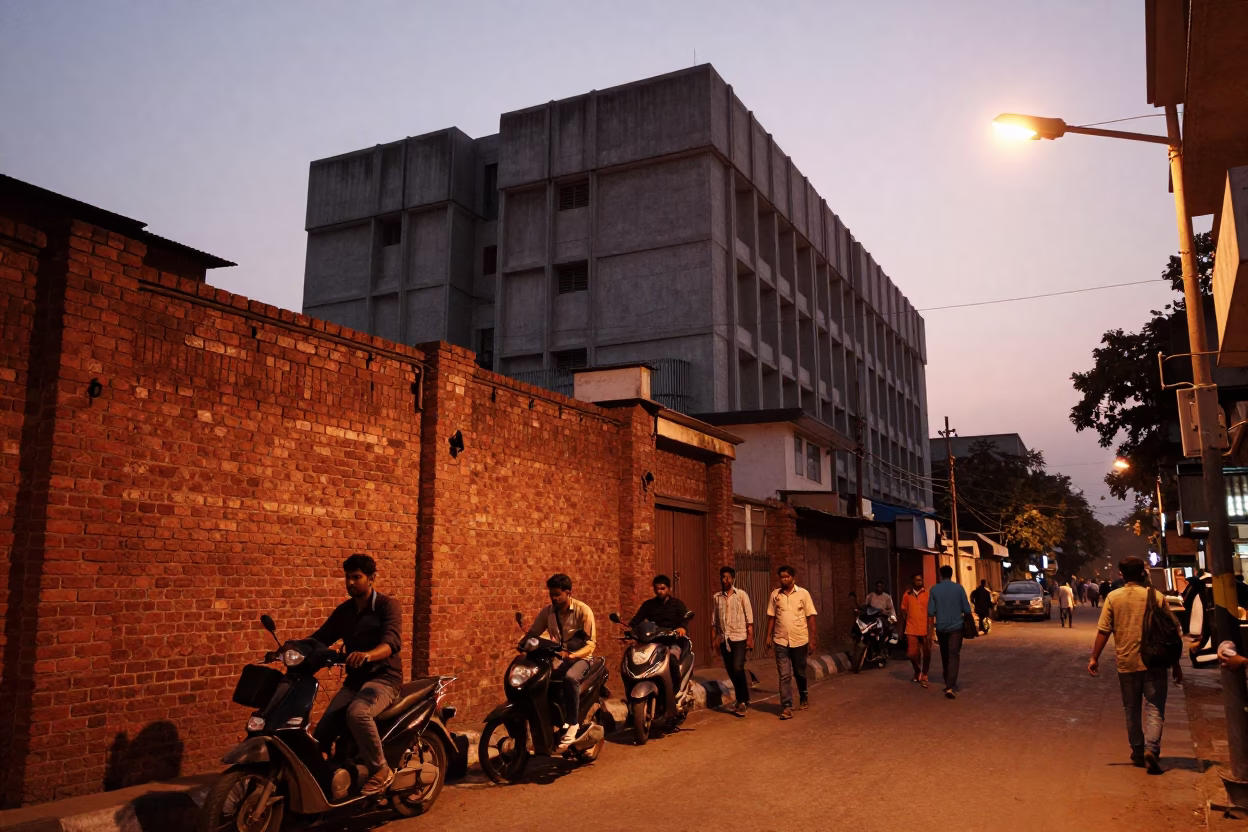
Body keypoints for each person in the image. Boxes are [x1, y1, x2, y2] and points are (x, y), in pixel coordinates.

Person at [310, 554, 404, 795]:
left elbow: (391, 643)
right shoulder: (345, 611)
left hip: (384, 678)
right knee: (322, 731)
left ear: (371, 578)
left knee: (357, 713)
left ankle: (381, 769)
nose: (350, 582)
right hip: (356, 680)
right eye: (347, 577)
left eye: (356, 577)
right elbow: (320, 638)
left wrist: (367, 655)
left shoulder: (387, 606)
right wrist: (291, 649)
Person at [1089, 557, 1183, 774]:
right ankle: (1153, 748)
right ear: (1143, 573)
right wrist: (1176, 664)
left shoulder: (1113, 597)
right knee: (1155, 707)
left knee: (1131, 709)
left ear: (1121, 574)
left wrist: (1094, 657)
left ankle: (1138, 751)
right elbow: (1172, 633)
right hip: (1156, 661)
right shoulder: (1156, 596)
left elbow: (1104, 630)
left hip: (1126, 662)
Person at [525, 573, 597, 752]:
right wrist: (522, 646)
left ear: (568, 592)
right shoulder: (548, 612)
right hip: (558, 659)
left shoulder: (583, 610)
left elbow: (591, 644)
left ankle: (572, 724)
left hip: (581, 659)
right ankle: (546, 731)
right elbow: (533, 633)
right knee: (540, 683)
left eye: (558, 594)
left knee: (570, 678)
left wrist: (574, 656)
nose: (554, 598)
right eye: (552, 595)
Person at [764, 565, 818, 719]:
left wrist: (812, 639)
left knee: (800, 672)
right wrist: (768, 636)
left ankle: (803, 694)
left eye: (787, 577)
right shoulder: (775, 595)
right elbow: (771, 617)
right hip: (780, 640)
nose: (784, 579)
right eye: (782, 577)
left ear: (793, 578)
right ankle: (787, 706)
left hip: (800, 640)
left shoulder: (803, 594)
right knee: (784, 675)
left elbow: (811, 617)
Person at [629, 574, 691, 702]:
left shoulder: (677, 605)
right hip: (654, 642)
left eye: (662, 588)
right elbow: (636, 621)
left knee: (673, 660)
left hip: (672, 641)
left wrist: (682, 628)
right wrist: (630, 631)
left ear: (669, 589)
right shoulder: (649, 605)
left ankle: (675, 691)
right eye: (657, 589)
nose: (660, 591)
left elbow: (685, 620)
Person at [711, 566, 754, 715]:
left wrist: (750, 638)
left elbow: (749, 619)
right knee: (730, 670)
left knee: (737, 668)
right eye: (722, 577)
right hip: (724, 638)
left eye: (727, 577)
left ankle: (741, 701)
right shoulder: (717, 597)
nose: (724, 580)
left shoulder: (741, 595)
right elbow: (714, 620)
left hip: (739, 637)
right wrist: (714, 639)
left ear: (733, 578)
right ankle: (743, 697)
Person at [928, 564, 971, 699]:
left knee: (945, 654)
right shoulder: (959, 588)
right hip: (956, 627)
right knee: (954, 654)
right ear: (951, 574)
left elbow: (930, 611)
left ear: (940, 574)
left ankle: (947, 678)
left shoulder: (934, 589)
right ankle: (950, 685)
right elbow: (967, 610)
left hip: (941, 627)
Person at [899, 573, 932, 688]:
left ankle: (924, 674)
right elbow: (903, 610)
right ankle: (918, 671)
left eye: (920, 580)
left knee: (927, 653)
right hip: (911, 629)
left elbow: (931, 613)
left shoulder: (927, 594)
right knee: (912, 654)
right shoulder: (907, 595)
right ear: (912, 581)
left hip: (925, 629)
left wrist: (930, 630)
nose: (919, 581)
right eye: (917, 580)